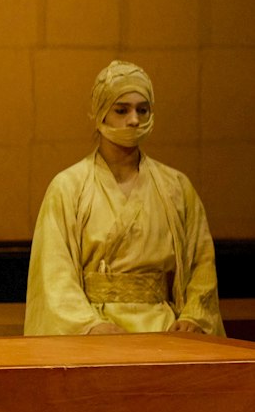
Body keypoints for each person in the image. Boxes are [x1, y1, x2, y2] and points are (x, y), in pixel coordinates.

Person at [25, 59, 224, 336]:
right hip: (96, 330)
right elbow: (54, 274)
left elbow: (201, 263)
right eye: (122, 110)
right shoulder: (68, 187)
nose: (134, 120)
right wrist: (90, 326)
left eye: (143, 110)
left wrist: (194, 316)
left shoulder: (176, 187)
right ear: (101, 112)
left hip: (165, 330)